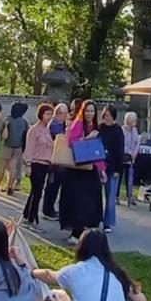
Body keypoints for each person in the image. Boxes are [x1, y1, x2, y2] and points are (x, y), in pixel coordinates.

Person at [60, 100, 105, 245]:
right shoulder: (78, 124)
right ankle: (76, 232)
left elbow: (98, 150)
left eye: (92, 111)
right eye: (87, 111)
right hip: (77, 170)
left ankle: (87, 232)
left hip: (91, 170)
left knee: (92, 201)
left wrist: (102, 169)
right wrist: (87, 138)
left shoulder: (96, 127)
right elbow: (71, 143)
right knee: (78, 202)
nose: (89, 114)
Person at [22, 103, 55, 229]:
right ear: (41, 114)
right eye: (47, 114)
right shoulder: (34, 130)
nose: (49, 117)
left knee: (35, 191)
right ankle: (32, 219)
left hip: (46, 164)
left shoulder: (47, 129)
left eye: (51, 114)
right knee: (37, 191)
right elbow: (29, 148)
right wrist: (28, 164)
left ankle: (27, 214)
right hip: (36, 164)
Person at [99, 105, 127, 231]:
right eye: (105, 115)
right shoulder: (100, 128)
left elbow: (120, 150)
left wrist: (117, 170)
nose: (107, 118)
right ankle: (96, 219)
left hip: (113, 166)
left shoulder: (117, 130)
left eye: (109, 115)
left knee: (110, 197)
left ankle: (107, 223)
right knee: (96, 195)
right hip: (100, 165)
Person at [0, 101, 29, 194]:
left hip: (7, 146)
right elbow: (25, 136)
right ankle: (10, 188)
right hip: (18, 148)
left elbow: (4, 136)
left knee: (2, 168)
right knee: (13, 169)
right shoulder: (24, 122)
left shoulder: (8, 119)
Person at [42, 102, 69, 220]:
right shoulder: (54, 125)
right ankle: (48, 210)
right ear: (58, 113)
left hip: (57, 160)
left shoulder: (60, 124)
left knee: (54, 185)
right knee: (52, 186)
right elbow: (60, 140)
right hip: (53, 160)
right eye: (64, 113)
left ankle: (50, 208)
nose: (66, 116)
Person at [121, 110, 141, 206]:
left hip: (132, 158)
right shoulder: (122, 130)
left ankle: (129, 196)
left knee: (130, 178)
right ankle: (117, 196)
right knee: (121, 177)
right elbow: (122, 144)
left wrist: (135, 152)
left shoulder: (135, 130)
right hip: (123, 157)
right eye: (134, 120)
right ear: (128, 120)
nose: (135, 122)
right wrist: (129, 152)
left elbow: (137, 142)